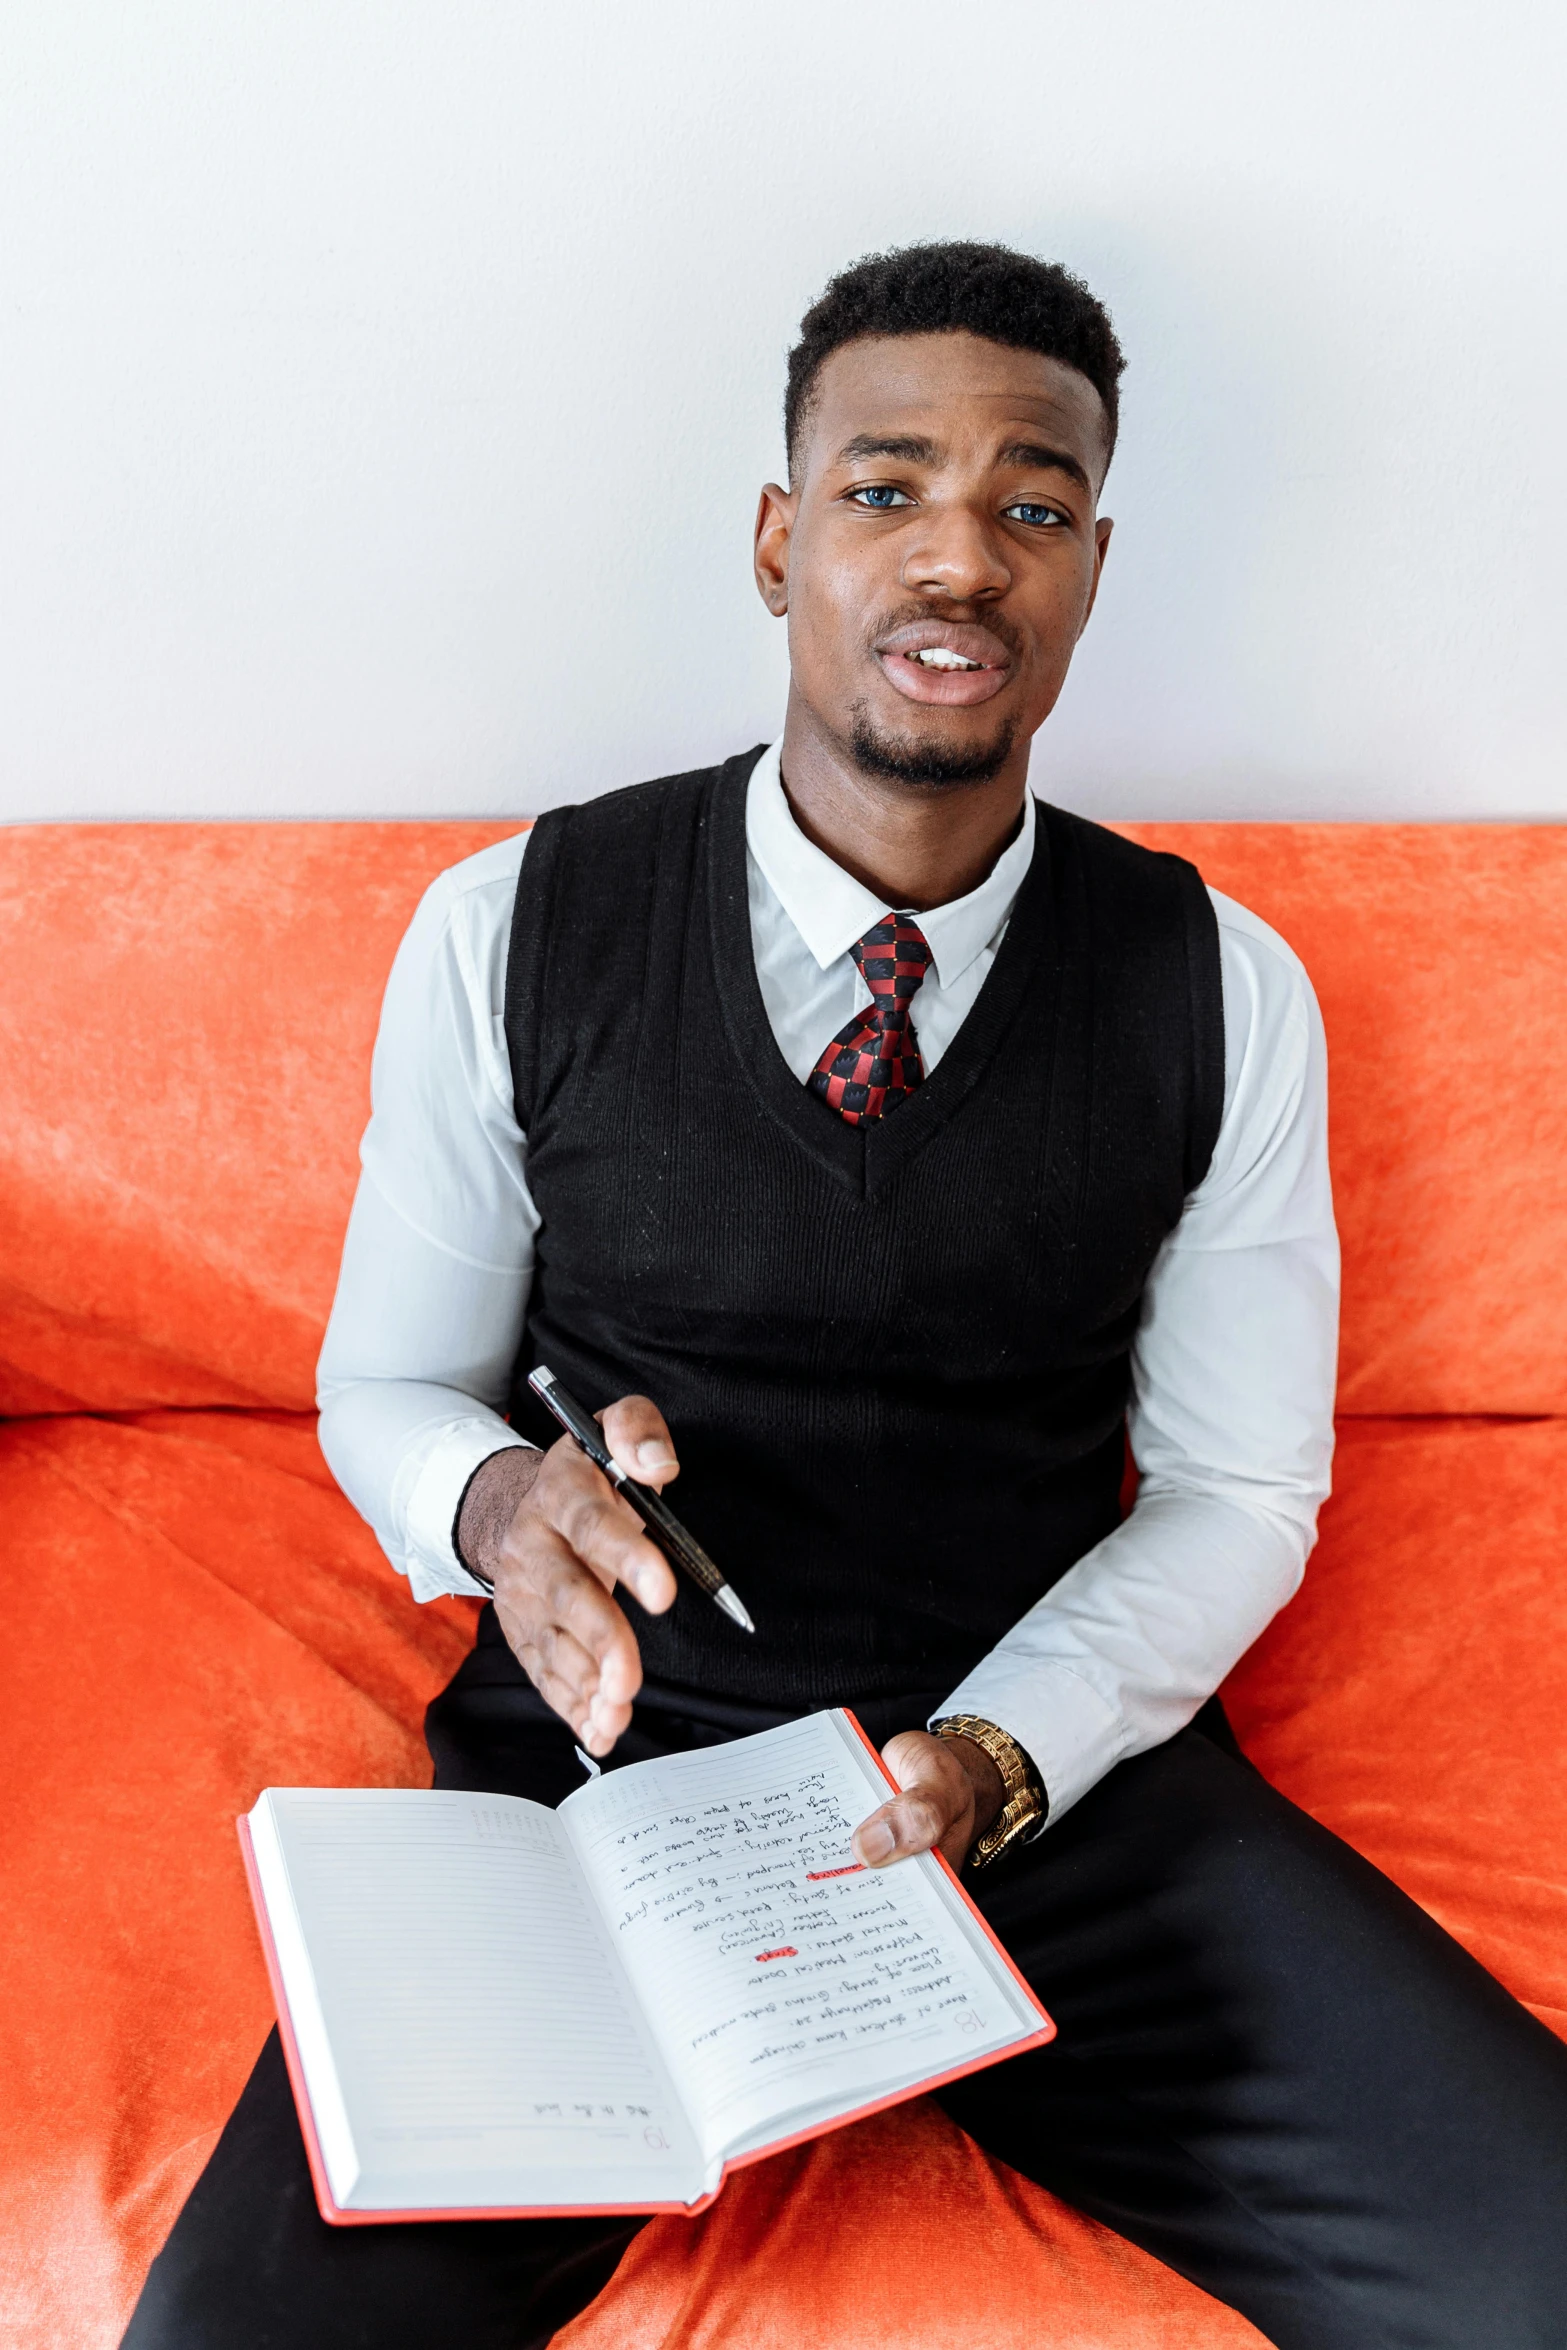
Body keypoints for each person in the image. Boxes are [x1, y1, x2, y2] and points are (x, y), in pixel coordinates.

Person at [124, 241, 1567, 2350]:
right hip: (599, 1787)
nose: (960, 557)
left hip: (1048, 1780)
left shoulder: (1224, 991)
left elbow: (1243, 1486)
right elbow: (392, 1385)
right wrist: (501, 1511)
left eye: (1035, 502)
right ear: (782, 539)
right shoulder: (509, 925)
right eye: (887, 488)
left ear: (1090, 569)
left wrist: (998, 1754)